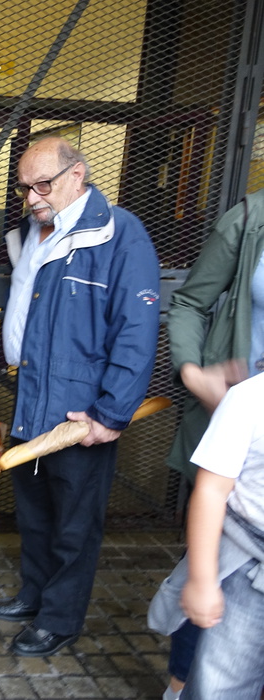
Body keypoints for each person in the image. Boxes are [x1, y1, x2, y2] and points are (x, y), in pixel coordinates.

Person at [0, 137, 160, 656]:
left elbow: (136, 330)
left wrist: (111, 412)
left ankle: (59, 619)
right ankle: (34, 595)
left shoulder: (120, 235)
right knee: (35, 511)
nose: (32, 197)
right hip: (32, 396)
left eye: (43, 185)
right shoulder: (35, 233)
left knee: (75, 523)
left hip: (81, 411)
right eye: (24, 187)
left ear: (77, 174)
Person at [159, 189, 264, 699]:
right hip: (236, 415)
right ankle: (182, 683)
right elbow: (188, 303)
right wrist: (193, 372)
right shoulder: (248, 219)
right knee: (210, 565)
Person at [176, 371, 264, 699]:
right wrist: (201, 580)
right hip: (249, 563)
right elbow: (211, 490)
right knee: (220, 684)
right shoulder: (249, 398)